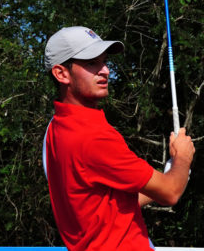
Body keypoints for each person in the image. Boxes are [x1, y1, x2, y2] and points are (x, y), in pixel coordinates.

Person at [42, 26, 195, 251]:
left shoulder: (55, 128)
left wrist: (169, 174)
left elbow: (110, 207)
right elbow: (170, 193)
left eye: (104, 62)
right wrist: (182, 159)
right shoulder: (92, 137)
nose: (105, 71)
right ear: (61, 74)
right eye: (91, 63)